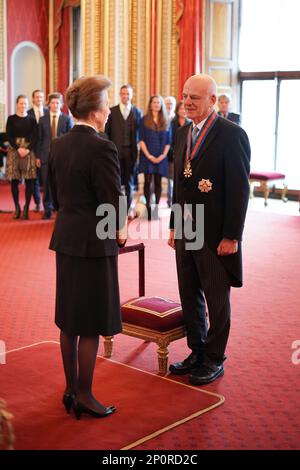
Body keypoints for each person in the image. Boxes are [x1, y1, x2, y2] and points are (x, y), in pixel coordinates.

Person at [48, 75, 127, 419]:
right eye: (106, 104)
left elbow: (55, 197)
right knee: (92, 321)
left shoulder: (58, 145)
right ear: (94, 111)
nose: (109, 111)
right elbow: (111, 202)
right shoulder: (102, 147)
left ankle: (70, 389)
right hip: (95, 244)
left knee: (69, 320)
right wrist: (125, 224)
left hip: (66, 238)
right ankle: (84, 394)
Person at [168, 74, 250, 385]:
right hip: (187, 227)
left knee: (216, 297)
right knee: (189, 292)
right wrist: (175, 224)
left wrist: (232, 236)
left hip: (215, 232)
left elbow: (239, 191)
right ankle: (197, 350)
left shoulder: (232, 135)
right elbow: (180, 185)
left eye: (195, 98)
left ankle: (215, 357)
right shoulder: (181, 133)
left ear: (212, 101)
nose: (187, 102)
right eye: (185, 96)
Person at [105, 85, 142, 215]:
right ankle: (117, 208)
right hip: (115, 153)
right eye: (123, 93)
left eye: (128, 94)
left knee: (129, 183)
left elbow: (141, 134)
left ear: (132, 95)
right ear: (120, 95)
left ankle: (126, 209)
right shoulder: (112, 111)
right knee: (116, 182)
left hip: (131, 153)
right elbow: (106, 133)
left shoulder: (137, 112)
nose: (125, 96)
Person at [36, 92, 73, 219]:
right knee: (46, 184)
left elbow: (70, 140)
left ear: (61, 104)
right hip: (45, 156)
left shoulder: (66, 119)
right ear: (49, 104)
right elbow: (39, 139)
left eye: (57, 102)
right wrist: (38, 157)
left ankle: (61, 209)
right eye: (53, 102)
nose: (55, 105)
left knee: (60, 183)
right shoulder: (42, 120)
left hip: (62, 156)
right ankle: (47, 209)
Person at [139, 95, 171, 220]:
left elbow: (169, 141)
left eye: (158, 102)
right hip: (147, 155)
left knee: (158, 182)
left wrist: (162, 156)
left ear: (161, 105)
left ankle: (156, 208)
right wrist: (148, 155)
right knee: (147, 182)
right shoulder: (143, 120)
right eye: (154, 102)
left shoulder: (166, 120)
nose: (156, 104)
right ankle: (148, 206)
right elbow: (141, 139)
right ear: (150, 104)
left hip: (161, 156)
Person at [6, 95, 38, 219]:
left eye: (25, 103)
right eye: (21, 103)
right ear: (16, 104)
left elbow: (35, 137)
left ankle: (26, 208)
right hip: (14, 150)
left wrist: (27, 149)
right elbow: (9, 136)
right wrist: (18, 148)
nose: (23, 105)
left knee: (29, 180)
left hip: (28, 150)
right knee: (14, 180)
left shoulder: (31, 119)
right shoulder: (11, 119)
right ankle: (17, 207)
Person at [28, 89, 50, 212]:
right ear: (33, 99)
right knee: (34, 179)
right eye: (37, 97)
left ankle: (49, 203)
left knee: (46, 179)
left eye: (41, 97)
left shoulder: (48, 112)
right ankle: (37, 203)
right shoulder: (28, 113)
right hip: (32, 150)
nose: (39, 99)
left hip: (44, 150)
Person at [167, 100, 191, 207]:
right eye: (180, 108)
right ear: (177, 110)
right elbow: (169, 139)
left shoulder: (190, 123)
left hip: (187, 157)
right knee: (172, 180)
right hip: (173, 155)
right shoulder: (172, 123)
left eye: (184, 108)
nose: (183, 111)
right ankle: (171, 200)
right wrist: (174, 153)